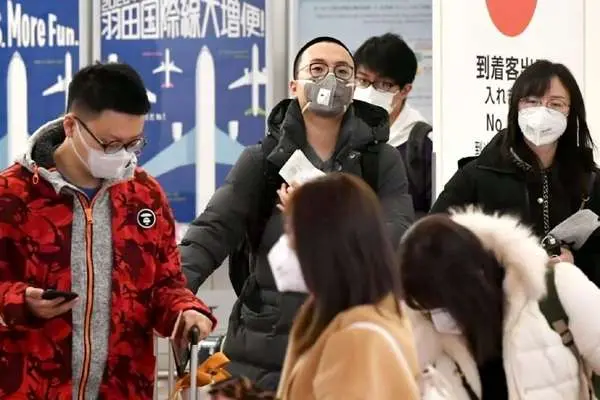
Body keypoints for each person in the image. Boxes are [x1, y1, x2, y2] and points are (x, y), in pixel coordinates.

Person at [179, 36, 415, 390]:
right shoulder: (262, 161)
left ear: (353, 86)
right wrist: (176, 297)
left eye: (342, 72)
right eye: (317, 69)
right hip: (265, 346)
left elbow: (393, 236)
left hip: (352, 338)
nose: (329, 79)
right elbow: (211, 232)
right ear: (294, 85)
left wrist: (316, 218)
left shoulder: (379, 161)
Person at [0, 63, 216, 399]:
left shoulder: (145, 196)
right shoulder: (11, 195)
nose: (123, 156)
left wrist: (186, 311)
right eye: (110, 144)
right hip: (30, 387)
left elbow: (166, 284)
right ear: (71, 126)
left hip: (124, 389)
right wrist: (20, 302)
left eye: (133, 144)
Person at [431, 60, 600, 286]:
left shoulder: (589, 180)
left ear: (571, 112)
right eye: (532, 101)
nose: (542, 111)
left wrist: (575, 262)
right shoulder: (477, 175)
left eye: (556, 104)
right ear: (516, 106)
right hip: (495, 301)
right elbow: (430, 242)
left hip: (567, 302)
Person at [399, 209, 600, 399]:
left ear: (474, 283)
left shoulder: (556, 288)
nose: (439, 321)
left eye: (443, 307)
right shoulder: (428, 337)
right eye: (427, 310)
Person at [276, 173, 419, 399]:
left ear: (322, 244)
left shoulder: (356, 342)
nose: (288, 245)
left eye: (292, 232)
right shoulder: (376, 319)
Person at [354, 33, 432, 217]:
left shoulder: (422, 143)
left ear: (405, 90)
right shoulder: (340, 132)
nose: (370, 92)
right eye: (363, 80)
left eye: (384, 85)